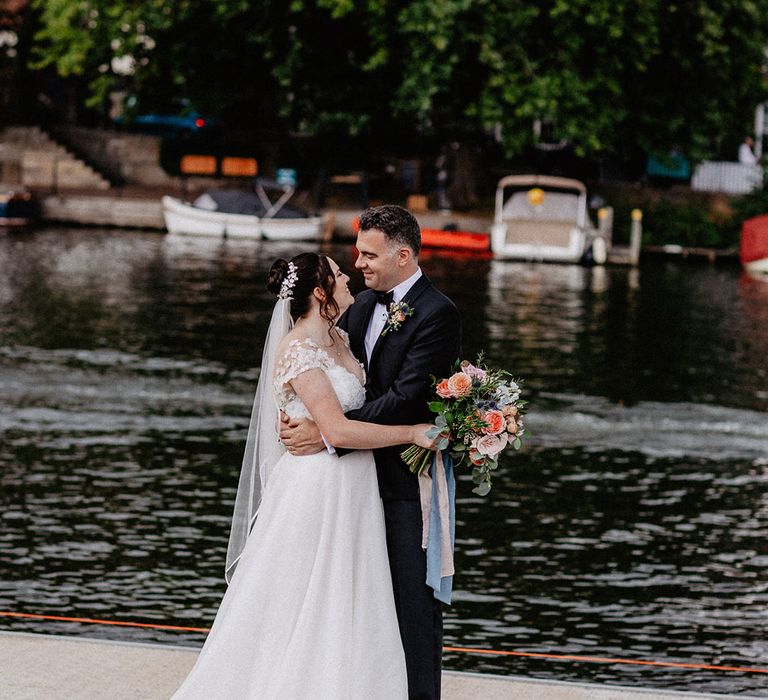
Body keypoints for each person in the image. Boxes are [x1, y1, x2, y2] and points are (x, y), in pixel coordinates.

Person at [171, 252, 439, 700]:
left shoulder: (339, 338)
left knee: (351, 598)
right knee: (310, 594)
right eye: (338, 275)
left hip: (353, 487)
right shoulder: (299, 349)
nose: (349, 276)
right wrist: (412, 432)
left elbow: (341, 415)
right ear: (320, 292)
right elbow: (337, 429)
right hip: (319, 487)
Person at [280, 205, 462, 700]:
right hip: (345, 491)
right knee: (350, 611)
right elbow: (318, 372)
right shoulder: (358, 308)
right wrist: (306, 413)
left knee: (411, 612)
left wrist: (328, 432)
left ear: (403, 255)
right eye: (356, 253)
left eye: (368, 253)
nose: (357, 262)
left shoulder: (437, 313)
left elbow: (406, 398)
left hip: (405, 486)